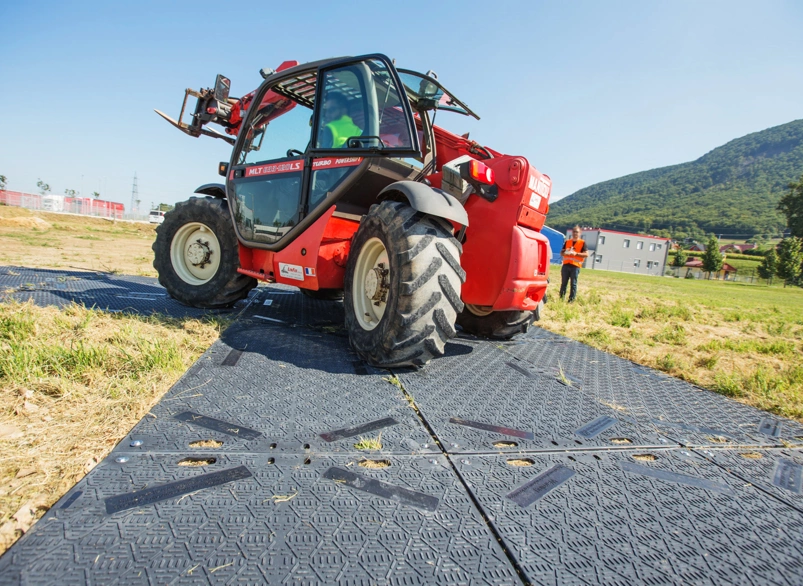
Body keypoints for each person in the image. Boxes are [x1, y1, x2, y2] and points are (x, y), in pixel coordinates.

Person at [559, 226, 589, 302]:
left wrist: (576, 254)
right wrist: (566, 252)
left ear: (580, 233)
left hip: (575, 266)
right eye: (574, 232)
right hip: (566, 265)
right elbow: (561, 253)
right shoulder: (567, 242)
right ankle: (561, 299)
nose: (575, 233)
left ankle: (571, 300)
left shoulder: (582, 243)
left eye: (577, 232)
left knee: (573, 284)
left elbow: (586, 254)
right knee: (563, 283)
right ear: (572, 233)